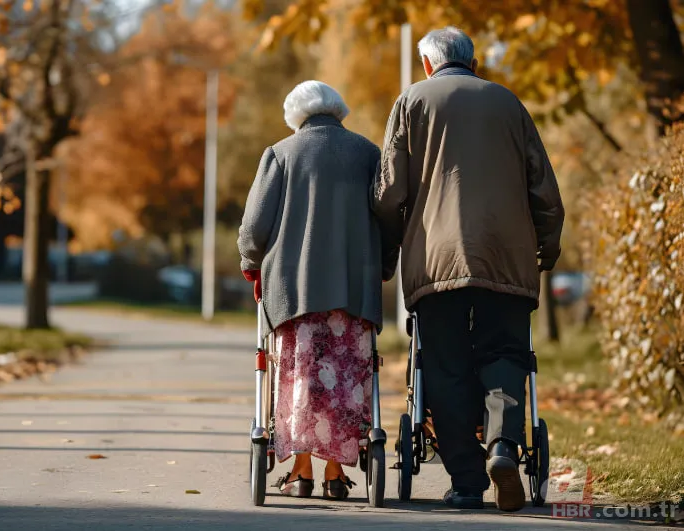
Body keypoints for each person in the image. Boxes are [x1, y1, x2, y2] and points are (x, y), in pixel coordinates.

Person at [373, 26, 564, 512]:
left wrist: (390, 253)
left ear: (427, 64)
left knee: (445, 365)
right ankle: (503, 444)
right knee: (505, 353)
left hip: (437, 260)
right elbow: (543, 188)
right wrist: (546, 247)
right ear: (473, 62)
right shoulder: (509, 104)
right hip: (506, 254)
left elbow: (389, 193)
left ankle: (466, 481)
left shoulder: (412, 103)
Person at [238, 81, 387, 500]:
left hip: (293, 292)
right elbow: (387, 219)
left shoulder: (280, 154)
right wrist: (385, 264)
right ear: (337, 110)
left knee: (300, 377)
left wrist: (251, 262)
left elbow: (253, 229)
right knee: (345, 380)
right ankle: (335, 475)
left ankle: (300, 472)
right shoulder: (368, 154)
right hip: (354, 291)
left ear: (295, 115)